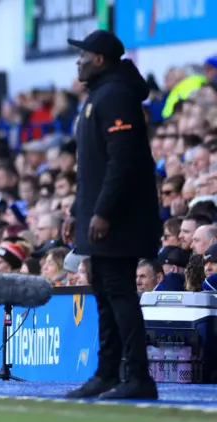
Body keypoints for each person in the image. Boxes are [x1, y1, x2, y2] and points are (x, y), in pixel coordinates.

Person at [63, 30, 159, 400]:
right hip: (99, 213)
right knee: (104, 294)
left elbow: (123, 160)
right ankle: (107, 373)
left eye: (83, 55)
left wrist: (102, 212)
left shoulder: (116, 95)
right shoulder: (100, 96)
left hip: (121, 217)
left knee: (120, 295)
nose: (78, 61)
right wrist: (77, 209)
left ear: (99, 59)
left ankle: (137, 376)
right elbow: (92, 167)